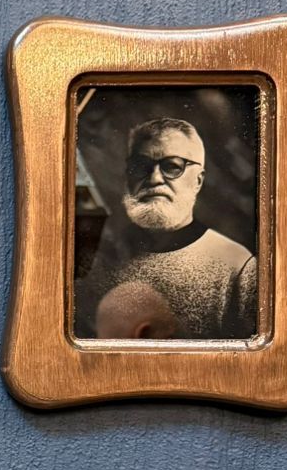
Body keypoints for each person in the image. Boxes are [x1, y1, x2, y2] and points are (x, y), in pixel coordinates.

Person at [74, 118, 256, 339]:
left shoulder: (236, 266)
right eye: (141, 166)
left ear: (198, 181)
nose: (154, 178)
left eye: (172, 167)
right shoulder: (96, 259)